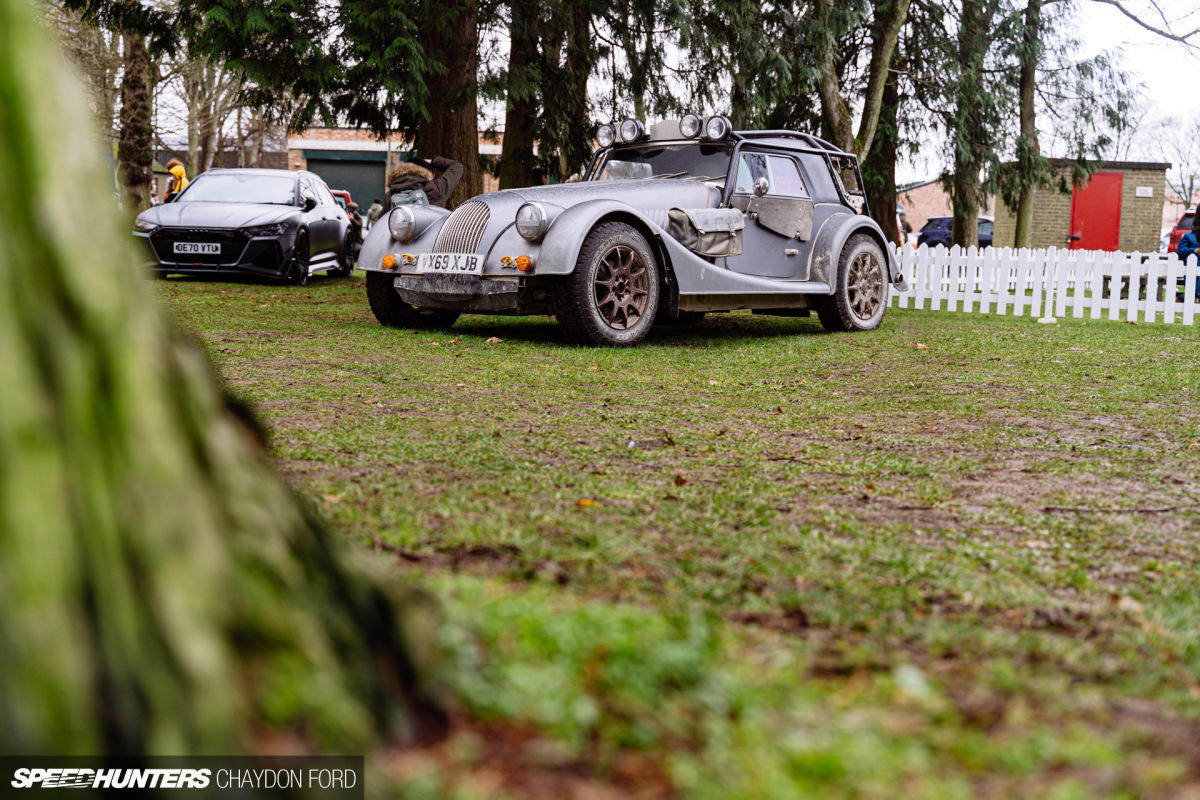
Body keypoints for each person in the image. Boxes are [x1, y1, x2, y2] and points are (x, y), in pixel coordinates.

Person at [384, 156, 463, 210]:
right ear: (425, 171)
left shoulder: (390, 195)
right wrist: (432, 161)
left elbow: (381, 221)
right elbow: (456, 167)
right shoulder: (435, 189)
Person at [1178, 215, 1199, 300]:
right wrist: (1193, 250)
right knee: (1192, 287)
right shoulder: (1187, 236)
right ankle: (1183, 298)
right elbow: (1181, 251)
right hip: (1191, 266)